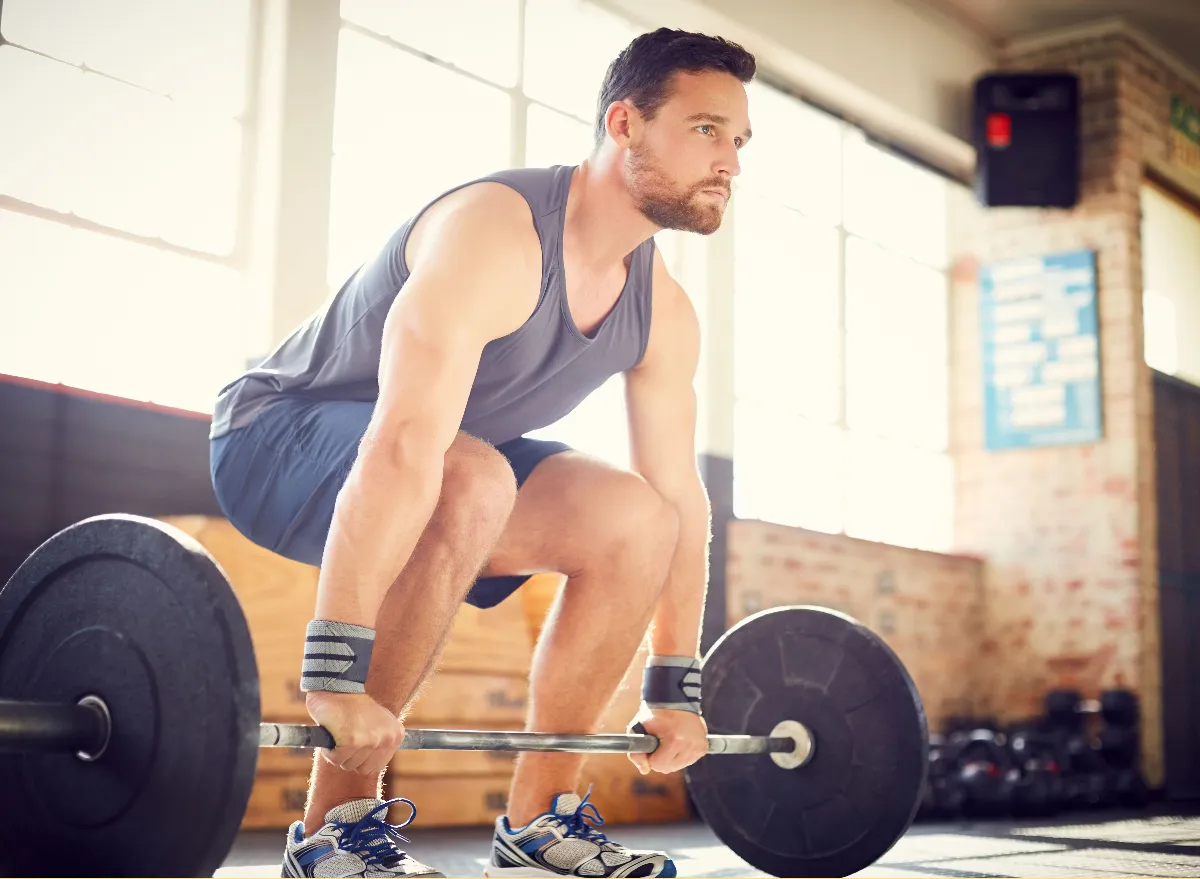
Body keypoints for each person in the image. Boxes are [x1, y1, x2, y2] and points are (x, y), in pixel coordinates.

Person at [209, 26, 755, 879]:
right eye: (705, 129)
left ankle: (538, 824)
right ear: (624, 123)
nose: (729, 159)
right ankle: (329, 833)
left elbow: (683, 501)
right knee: (469, 474)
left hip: (453, 469)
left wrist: (673, 688)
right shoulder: (495, 234)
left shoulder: (664, 311)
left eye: (738, 140)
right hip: (273, 440)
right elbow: (403, 442)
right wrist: (334, 670)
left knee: (637, 519)